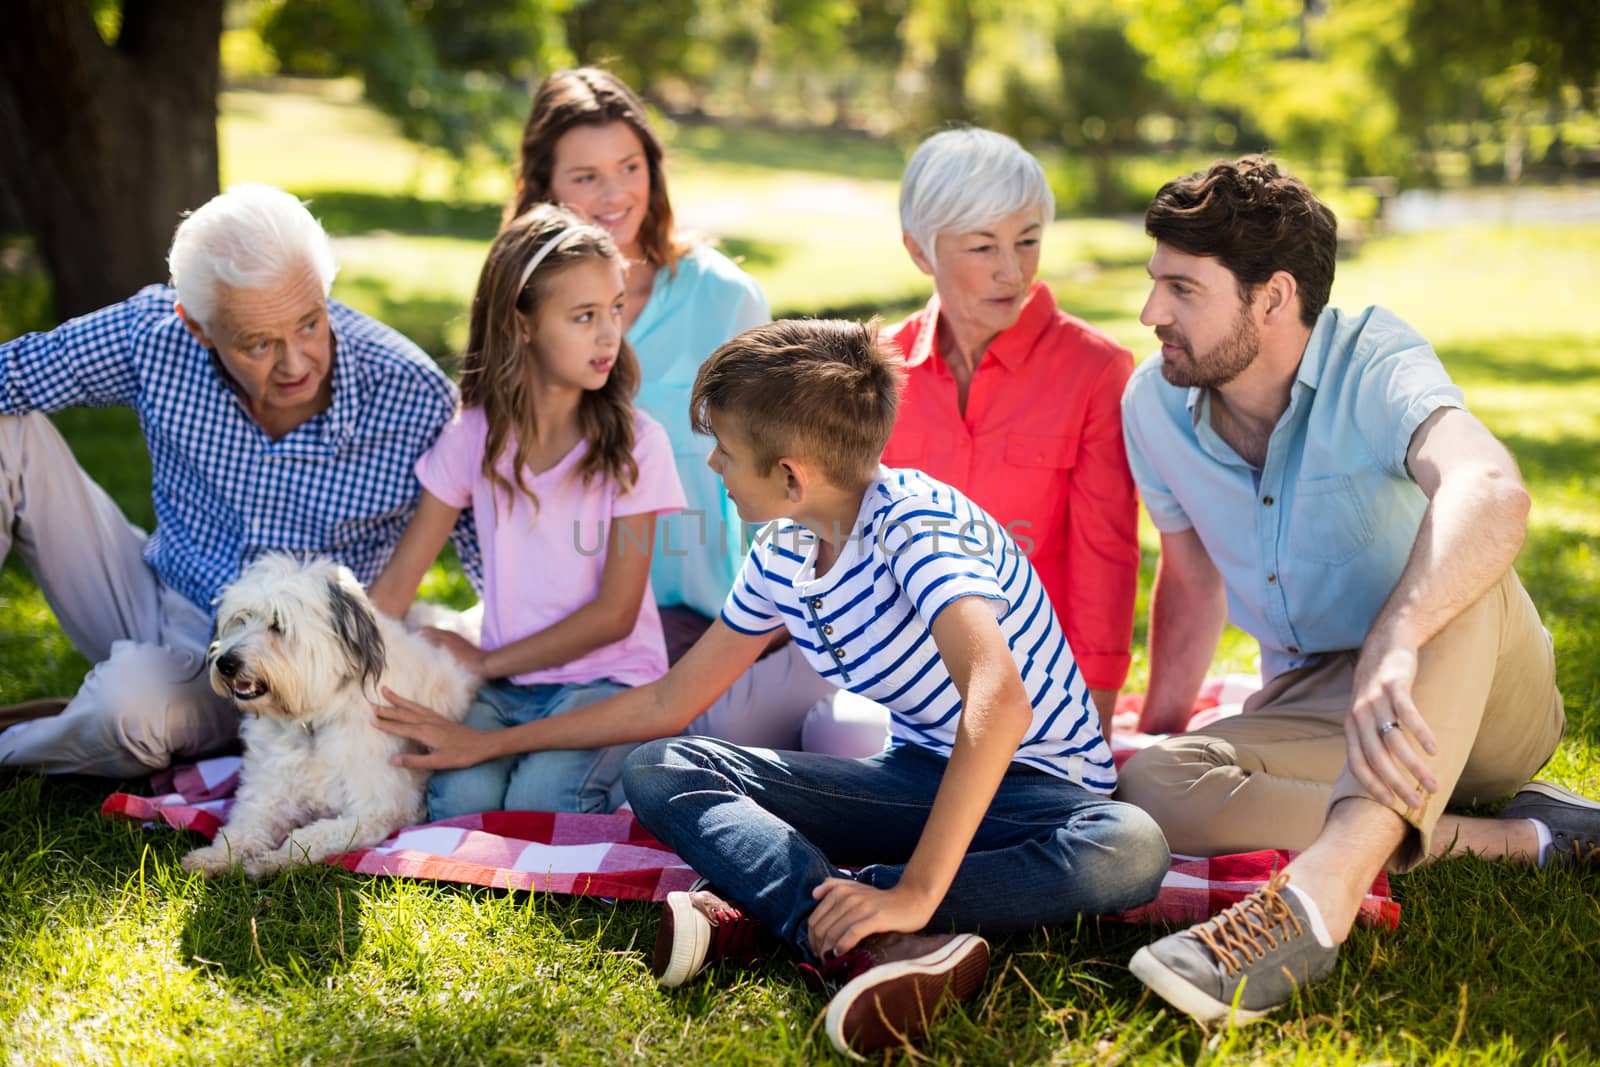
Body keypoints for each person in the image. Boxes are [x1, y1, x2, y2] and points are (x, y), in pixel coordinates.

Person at [374, 319, 1171, 1057]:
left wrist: (919, 888)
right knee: (661, 765)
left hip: (1041, 798)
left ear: (791, 475)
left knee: (1132, 848)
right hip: (921, 783)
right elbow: (668, 702)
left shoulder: (918, 526)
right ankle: (855, 933)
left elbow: (1001, 706)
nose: (713, 465)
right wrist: (490, 741)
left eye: (721, 448)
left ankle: (824, 910)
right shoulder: (787, 551)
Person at [1115, 156, 1597, 1025]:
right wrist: (1154, 728)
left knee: (1461, 548)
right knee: (1152, 787)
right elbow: (1188, 578)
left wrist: (1397, 637)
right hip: (1324, 702)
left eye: (1183, 289)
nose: (1152, 313)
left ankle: (1315, 900)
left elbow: (1493, 490)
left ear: (1273, 298)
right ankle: (1521, 838)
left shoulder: (1374, 358)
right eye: (1156, 283)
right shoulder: (1152, 404)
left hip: (1478, 687)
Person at [0, 184, 470, 777]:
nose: (295, 363)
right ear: (198, 328)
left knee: (129, 711)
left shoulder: (410, 393)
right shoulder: (155, 336)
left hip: (284, 665)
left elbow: (498, 545)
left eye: (309, 323)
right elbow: (10, 374)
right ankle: (84, 714)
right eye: (258, 343)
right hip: (154, 594)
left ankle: (28, 737)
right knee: (6, 435)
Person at [506, 67, 834, 749]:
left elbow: (789, 477)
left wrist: (769, 618)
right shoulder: (524, 311)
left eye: (629, 166)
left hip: (701, 618)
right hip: (561, 616)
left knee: (618, 764)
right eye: (585, 176)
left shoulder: (725, 299)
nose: (615, 193)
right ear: (544, 188)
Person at [367, 205, 686, 817]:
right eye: (584, 316)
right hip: (509, 686)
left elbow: (616, 615)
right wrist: (341, 669)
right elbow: (400, 582)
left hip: (608, 681)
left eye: (615, 309)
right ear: (522, 325)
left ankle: (640, 772)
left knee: (543, 802)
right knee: (461, 800)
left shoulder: (637, 444)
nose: (608, 335)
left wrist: (485, 660)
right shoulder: (473, 437)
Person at [871, 127, 1138, 748]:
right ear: (920, 250)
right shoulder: (873, 369)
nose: (1012, 271)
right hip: (902, 684)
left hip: (1041, 689)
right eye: (984, 246)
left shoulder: (1096, 370)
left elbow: (1108, 556)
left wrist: (1091, 717)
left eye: (1027, 241)